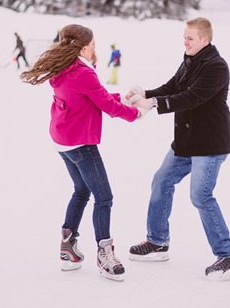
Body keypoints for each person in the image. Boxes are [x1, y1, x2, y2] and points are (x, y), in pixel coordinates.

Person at [126, 17, 230, 281]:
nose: (185, 42)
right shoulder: (190, 60)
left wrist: (154, 104)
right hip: (187, 143)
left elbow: (192, 97)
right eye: (184, 37)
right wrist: (145, 95)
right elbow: (173, 88)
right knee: (161, 180)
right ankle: (157, 242)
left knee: (201, 196)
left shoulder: (216, 66)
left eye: (190, 38)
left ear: (205, 39)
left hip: (209, 144)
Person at [20, 24, 143, 282]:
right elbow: (105, 104)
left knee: (81, 191)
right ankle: (105, 254)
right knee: (104, 196)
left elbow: (94, 96)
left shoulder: (65, 67)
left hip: (63, 140)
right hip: (80, 143)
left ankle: (68, 249)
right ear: (84, 47)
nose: (95, 49)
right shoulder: (82, 73)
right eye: (94, 45)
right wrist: (136, 113)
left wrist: (123, 97)